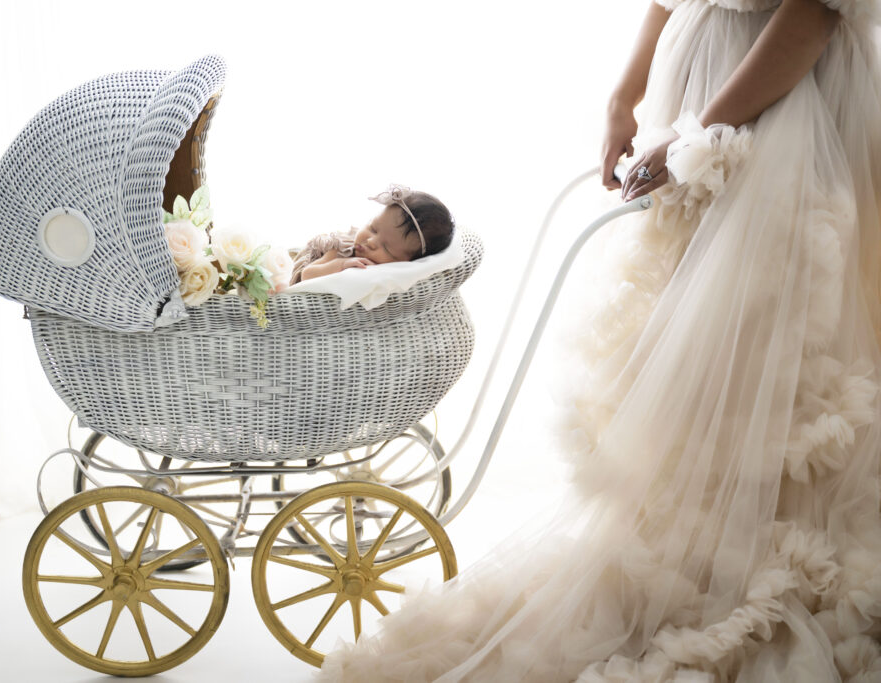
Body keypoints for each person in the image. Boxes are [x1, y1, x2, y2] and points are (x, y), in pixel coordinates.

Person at [320, 0, 881, 680]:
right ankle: (695, 553)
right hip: (701, 113)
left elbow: (814, 17)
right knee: (693, 361)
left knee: (770, 356)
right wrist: (626, 96)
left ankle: (756, 554)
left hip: (780, 115)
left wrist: (699, 134)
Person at [290, 186, 455, 283]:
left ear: (408, 261)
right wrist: (341, 264)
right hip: (302, 271)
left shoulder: (395, 274)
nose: (370, 241)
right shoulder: (343, 249)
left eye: (386, 247)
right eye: (373, 228)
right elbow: (307, 275)